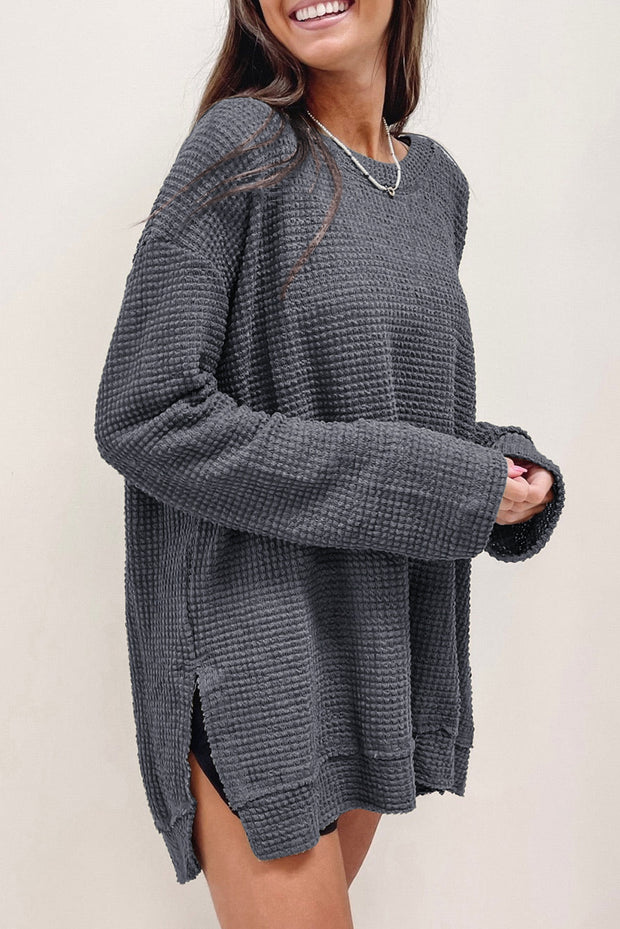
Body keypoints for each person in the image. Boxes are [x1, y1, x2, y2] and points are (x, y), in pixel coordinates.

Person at [93, 0, 565, 926]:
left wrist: (497, 467)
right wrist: (440, 486)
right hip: (255, 647)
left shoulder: (435, 183)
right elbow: (144, 412)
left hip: (372, 645)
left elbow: (381, 407)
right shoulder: (239, 146)